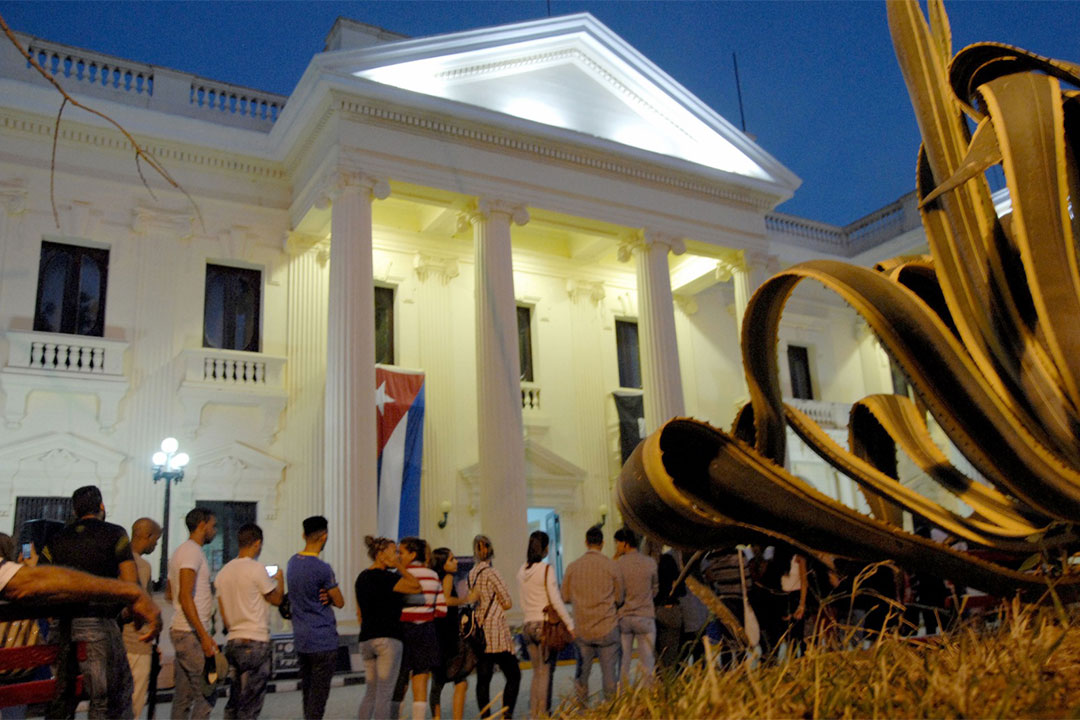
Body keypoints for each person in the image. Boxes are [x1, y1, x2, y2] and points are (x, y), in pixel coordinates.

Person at [41, 485, 138, 720]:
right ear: (102, 507)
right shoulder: (116, 534)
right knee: (107, 699)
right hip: (98, 625)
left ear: (75, 510)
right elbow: (130, 583)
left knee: (63, 699)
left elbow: (42, 580)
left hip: (61, 628)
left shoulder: (55, 539)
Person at [214, 523, 284, 720]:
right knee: (251, 703)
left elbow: (224, 615)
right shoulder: (256, 569)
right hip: (256, 640)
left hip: (233, 641)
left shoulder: (223, 573)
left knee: (234, 701)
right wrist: (280, 579)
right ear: (257, 543)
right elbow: (277, 599)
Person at [355, 536, 421, 720]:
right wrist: (400, 567)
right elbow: (416, 586)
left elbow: (358, 612)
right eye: (394, 552)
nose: (398, 556)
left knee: (370, 693)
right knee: (384, 695)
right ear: (381, 555)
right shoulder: (388, 578)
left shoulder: (361, 578)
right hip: (388, 638)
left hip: (366, 638)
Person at [286, 516, 344, 720]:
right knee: (318, 701)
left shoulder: (292, 562)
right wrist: (328, 595)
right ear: (324, 536)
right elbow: (340, 601)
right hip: (323, 640)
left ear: (304, 535)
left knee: (308, 696)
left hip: (302, 639)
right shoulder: (322, 568)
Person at [561, 524, 622, 705]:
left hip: (583, 628)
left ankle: (581, 709)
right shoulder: (611, 566)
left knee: (582, 674)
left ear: (586, 543)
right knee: (610, 674)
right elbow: (620, 597)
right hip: (607, 627)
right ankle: (611, 709)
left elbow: (564, 596)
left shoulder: (572, 567)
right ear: (602, 544)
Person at [168, 507, 219, 720]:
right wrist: (204, 636)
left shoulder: (184, 550)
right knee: (208, 690)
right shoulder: (191, 552)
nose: (215, 531)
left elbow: (171, 592)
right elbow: (184, 596)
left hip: (183, 630)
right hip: (190, 634)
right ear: (201, 525)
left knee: (184, 695)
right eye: (213, 526)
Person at [517, 530, 573, 719]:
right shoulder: (546, 570)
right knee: (545, 672)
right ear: (544, 548)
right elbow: (556, 601)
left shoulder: (522, 571)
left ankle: (534, 713)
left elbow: (522, 602)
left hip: (527, 626)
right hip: (544, 625)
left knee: (536, 673)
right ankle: (542, 714)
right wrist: (570, 624)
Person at [389, 538, 446, 720]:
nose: (398, 556)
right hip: (427, 630)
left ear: (412, 555)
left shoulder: (399, 576)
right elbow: (442, 610)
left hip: (403, 630)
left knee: (400, 680)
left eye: (401, 552)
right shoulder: (434, 576)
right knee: (421, 678)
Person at [468, 534, 520, 719]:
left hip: (480, 631)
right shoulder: (492, 573)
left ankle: (486, 716)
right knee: (514, 674)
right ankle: (507, 715)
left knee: (483, 678)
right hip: (496, 631)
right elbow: (507, 602)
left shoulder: (472, 574)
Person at [429, 547, 473, 720]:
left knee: (437, 684)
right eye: (452, 559)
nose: (456, 562)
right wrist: (466, 599)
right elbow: (446, 599)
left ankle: (437, 717)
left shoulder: (434, 578)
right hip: (448, 635)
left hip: (437, 633)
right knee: (461, 680)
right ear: (443, 563)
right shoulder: (447, 577)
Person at [124, 517, 162, 718]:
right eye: (155, 540)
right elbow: (144, 608)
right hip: (137, 643)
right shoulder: (142, 566)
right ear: (147, 536)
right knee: (135, 703)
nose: (156, 544)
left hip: (119, 643)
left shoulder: (117, 561)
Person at [613, 526, 658, 687]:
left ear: (625, 544)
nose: (616, 547)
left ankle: (624, 695)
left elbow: (617, 594)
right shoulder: (650, 562)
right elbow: (655, 590)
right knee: (647, 661)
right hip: (645, 616)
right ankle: (648, 697)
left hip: (625, 618)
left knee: (624, 660)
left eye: (617, 543)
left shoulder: (618, 565)